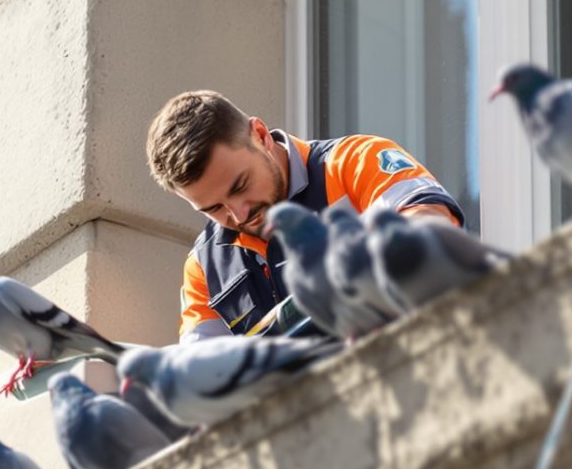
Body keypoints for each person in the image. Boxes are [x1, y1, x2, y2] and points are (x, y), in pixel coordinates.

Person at [145, 91, 466, 341]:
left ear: (260, 134)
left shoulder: (353, 163)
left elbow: (430, 225)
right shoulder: (203, 269)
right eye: (213, 209)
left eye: (241, 185)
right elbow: (203, 385)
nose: (240, 214)